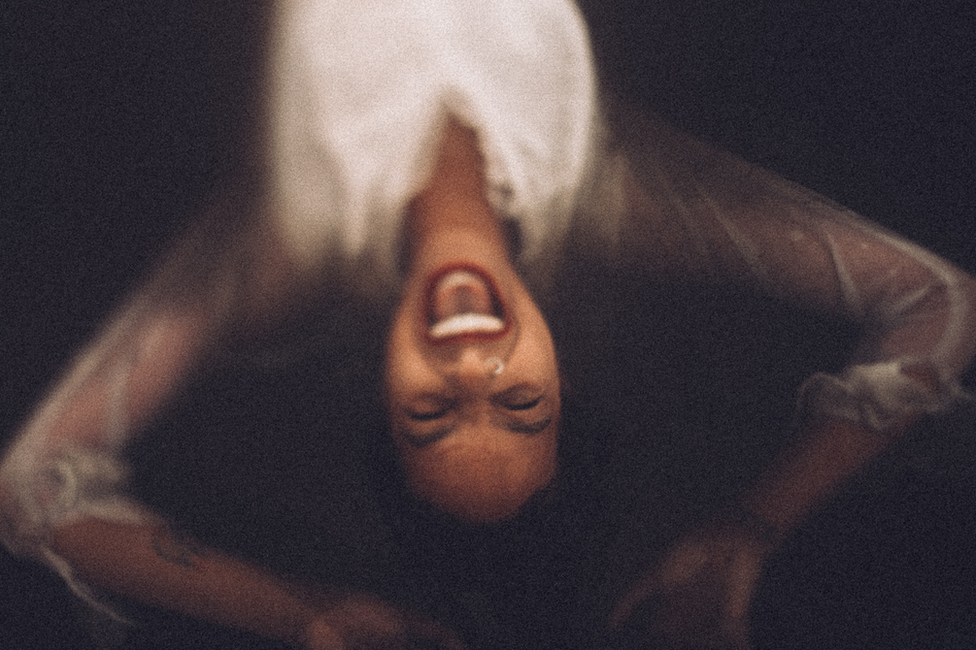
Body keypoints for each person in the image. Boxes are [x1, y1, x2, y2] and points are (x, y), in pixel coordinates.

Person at [2, 0, 975, 648]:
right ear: (560, 366)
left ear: (380, 393)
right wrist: (748, 524)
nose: (470, 364)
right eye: (519, 400)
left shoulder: (287, 242)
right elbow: (938, 302)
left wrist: (308, 612)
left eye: (431, 413)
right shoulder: (612, 190)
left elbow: (33, 487)